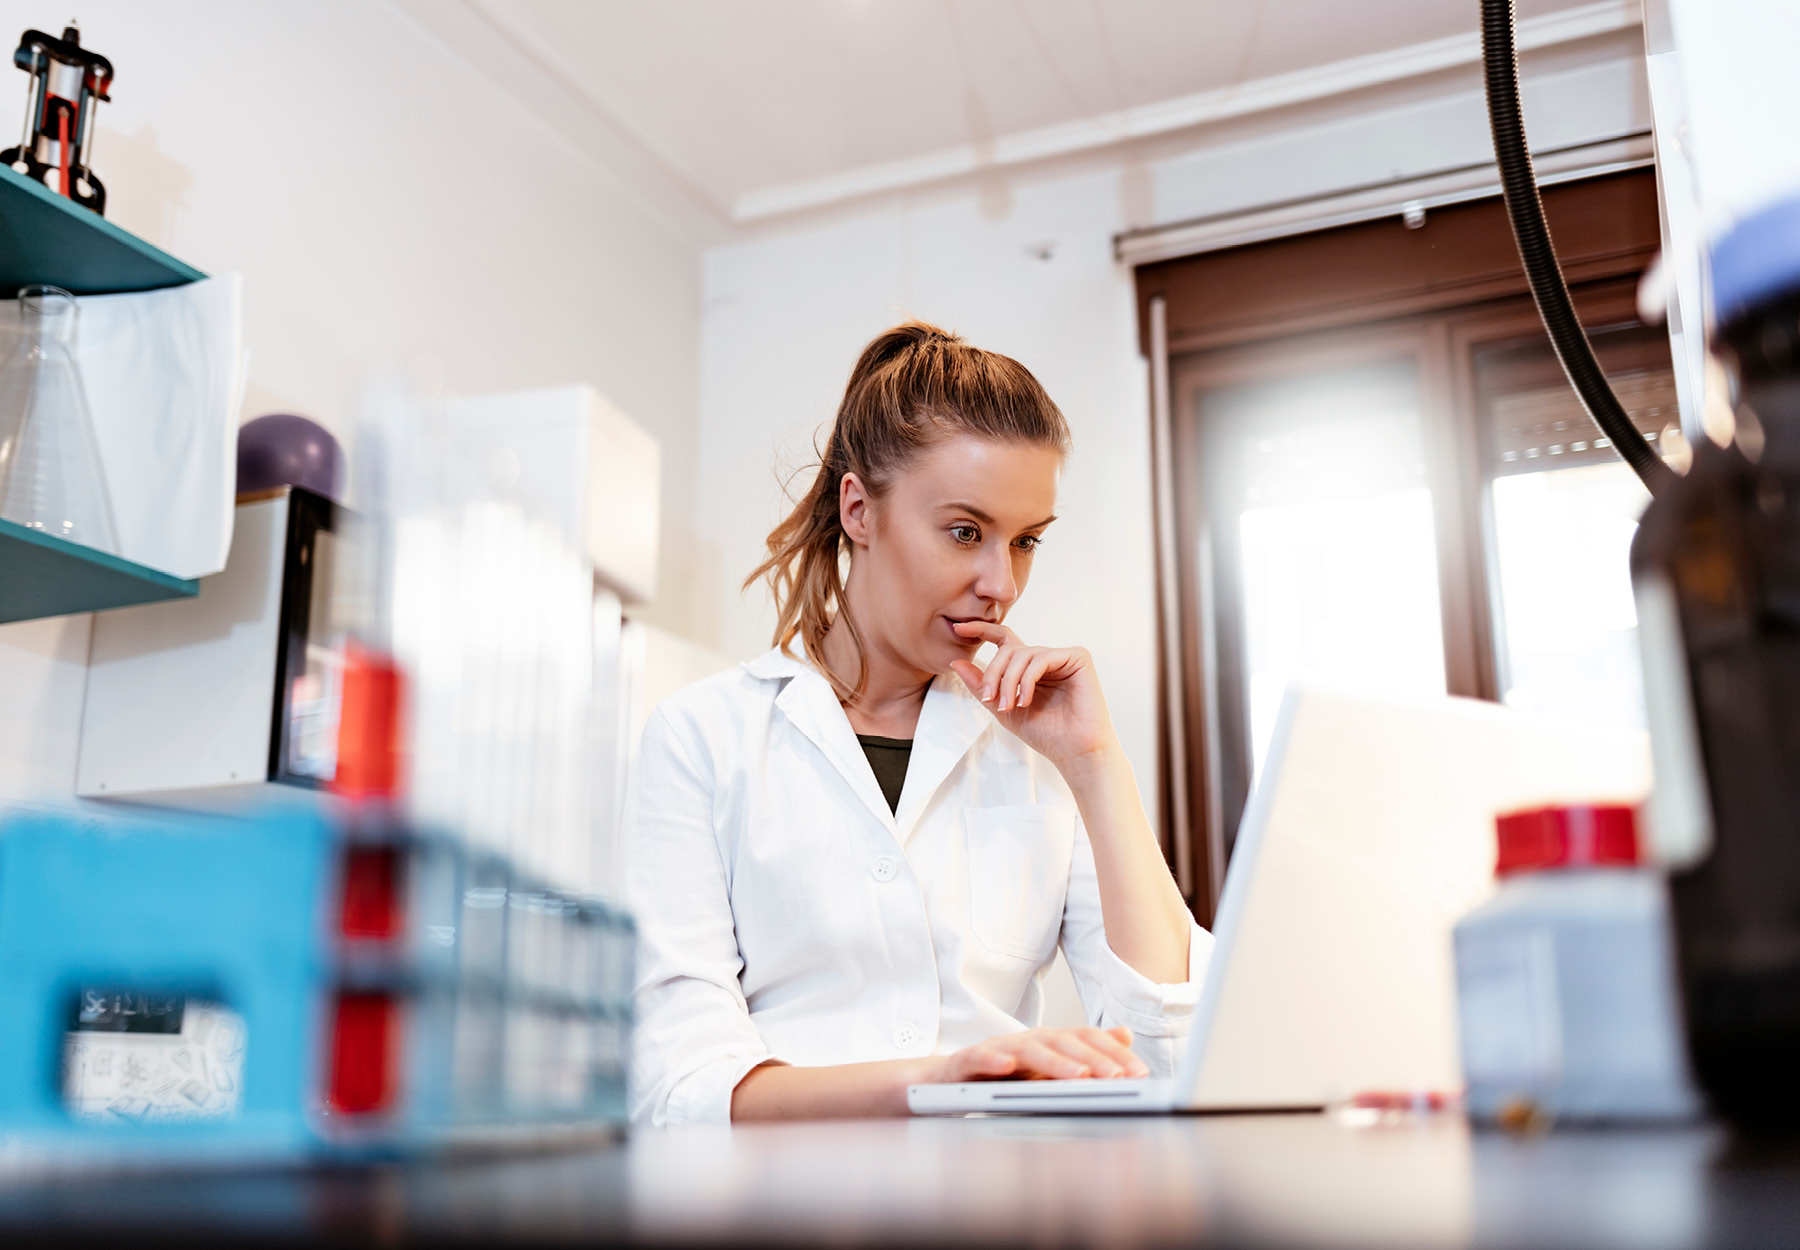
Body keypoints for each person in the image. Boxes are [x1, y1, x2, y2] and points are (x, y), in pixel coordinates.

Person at [628, 321, 1212, 1125]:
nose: (1000, 585)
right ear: (860, 510)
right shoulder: (704, 736)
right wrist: (936, 1081)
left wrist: (1097, 764)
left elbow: (1175, 1055)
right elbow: (677, 1087)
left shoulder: (1042, 756)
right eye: (965, 532)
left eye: (1026, 542)